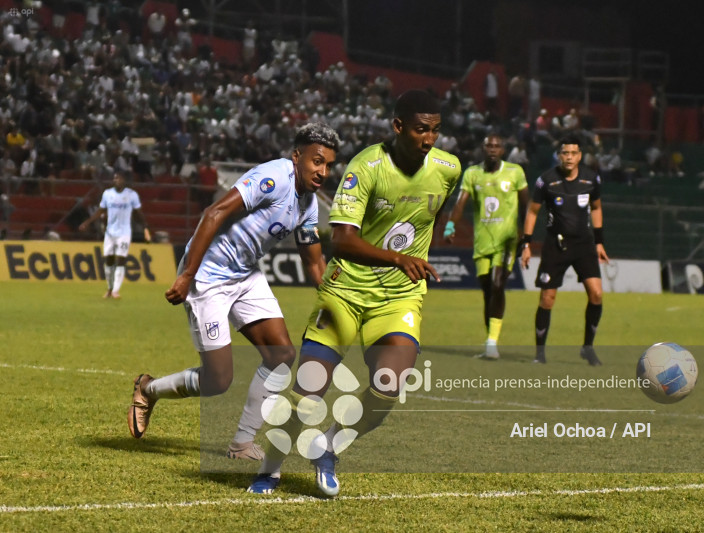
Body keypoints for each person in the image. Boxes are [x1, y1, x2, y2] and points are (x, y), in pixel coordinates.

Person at [248, 90, 461, 497]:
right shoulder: (366, 167)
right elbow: (342, 241)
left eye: (435, 130)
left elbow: (433, 211)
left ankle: (327, 446)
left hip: (399, 298)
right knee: (307, 394)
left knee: (389, 385)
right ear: (398, 127)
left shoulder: (449, 168)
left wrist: (413, 255)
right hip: (345, 291)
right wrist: (399, 259)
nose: (429, 139)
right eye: (421, 130)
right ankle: (270, 468)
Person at [125, 124, 340, 464]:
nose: (323, 171)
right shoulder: (273, 178)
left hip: (244, 275)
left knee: (281, 354)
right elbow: (214, 213)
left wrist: (339, 303)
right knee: (218, 379)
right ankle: (148, 389)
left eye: (328, 165)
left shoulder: (309, 205)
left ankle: (241, 443)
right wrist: (187, 276)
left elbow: (314, 265)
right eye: (317, 162)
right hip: (208, 275)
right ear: (297, 157)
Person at [520, 134, 608, 366]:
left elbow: (596, 208)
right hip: (555, 246)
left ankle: (588, 348)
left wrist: (599, 242)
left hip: (584, 245)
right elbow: (532, 211)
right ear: (559, 155)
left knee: (597, 294)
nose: (569, 157)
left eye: (573, 153)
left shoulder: (591, 179)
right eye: (565, 153)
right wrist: (526, 244)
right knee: (547, 299)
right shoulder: (546, 180)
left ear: (580, 156)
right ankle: (540, 354)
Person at [443, 133, 528, 359]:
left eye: (497, 146)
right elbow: (460, 203)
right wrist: (451, 226)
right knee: (487, 291)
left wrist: (525, 237)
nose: (492, 149)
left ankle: (492, 343)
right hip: (482, 243)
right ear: (483, 149)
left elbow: (526, 207)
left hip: (507, 240)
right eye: (488, 145)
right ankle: (490, 340)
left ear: (503, 150)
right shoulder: (472, 173)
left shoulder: (515, 172)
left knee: (498, 284)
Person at [79, 172, 152, 299]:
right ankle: (109, 287)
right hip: (110, 232)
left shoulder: (131, 195)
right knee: (109, 260)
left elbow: (138, 213)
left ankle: (116, 290)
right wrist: (88, 222)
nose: (116, 180)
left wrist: (145, 228)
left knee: (121, 259)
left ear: (124, 179)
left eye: (118, 178)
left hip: (124, 233)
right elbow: (101, 210)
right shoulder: (107, 194)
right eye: (114, 178)